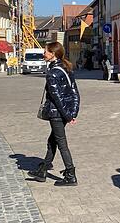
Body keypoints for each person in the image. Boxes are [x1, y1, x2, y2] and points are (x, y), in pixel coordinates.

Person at [28, 41, 81, 187]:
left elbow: (56, 98)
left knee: (61, 143)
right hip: (63, 112)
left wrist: (68, 116)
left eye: (45, 51)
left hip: (56, 113)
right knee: (52, 141)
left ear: (53, 54)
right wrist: (73, 111)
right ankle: (43, 171)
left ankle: (70, 174)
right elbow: (75, 92)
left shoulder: (52, 73)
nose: (43, 53)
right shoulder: (67, 68)